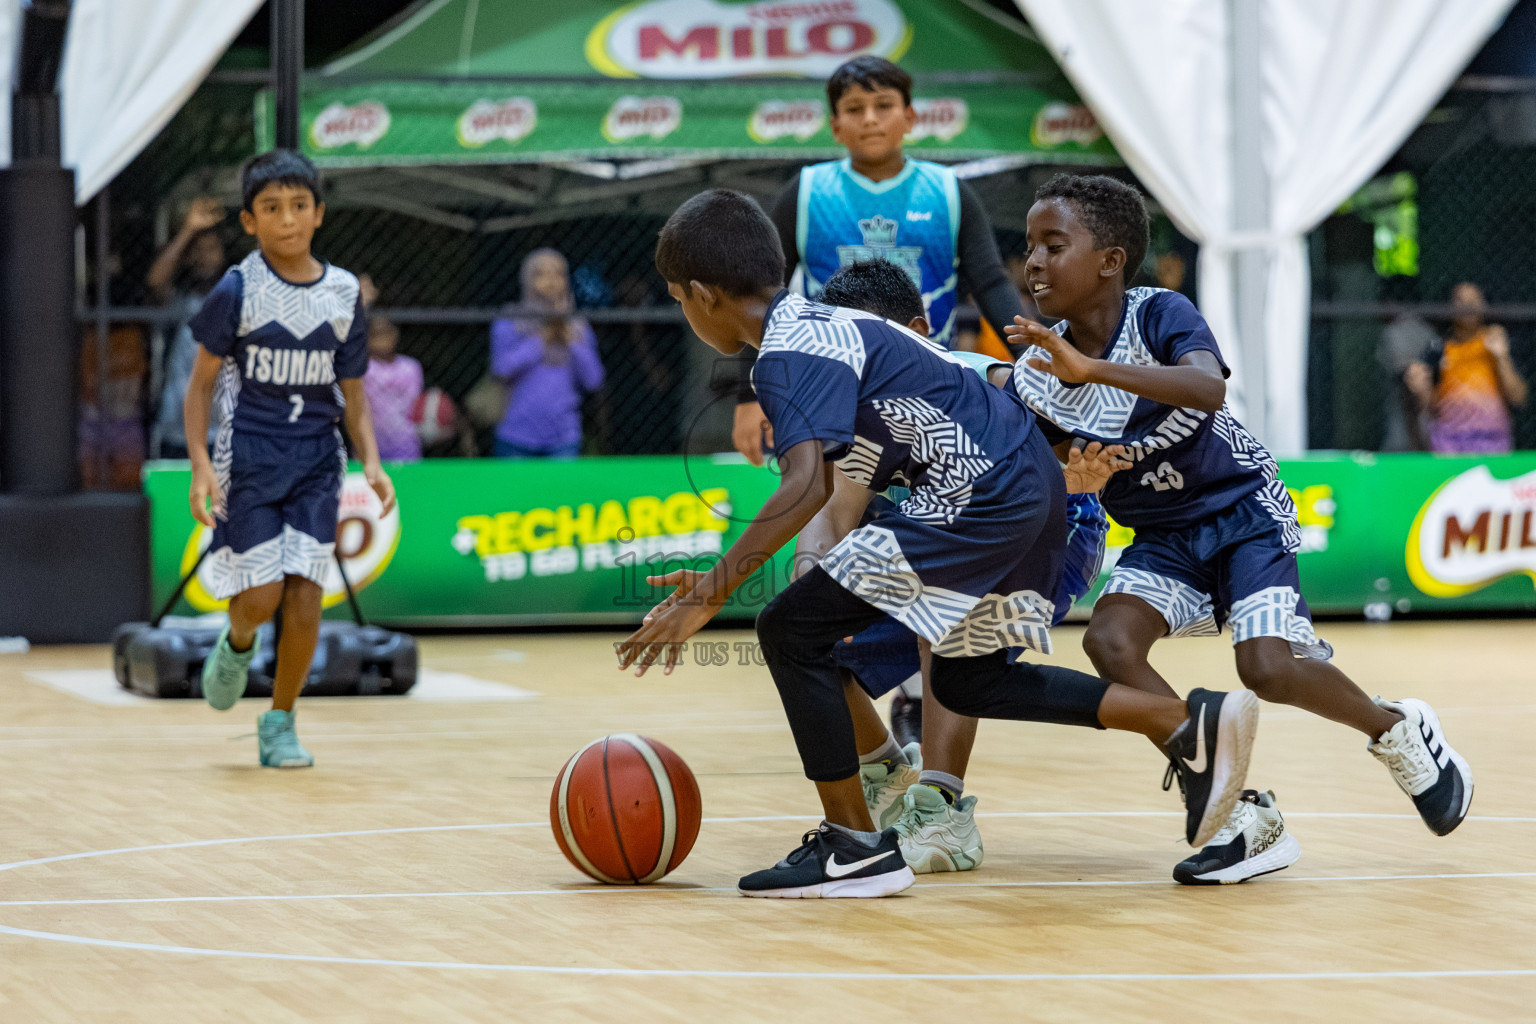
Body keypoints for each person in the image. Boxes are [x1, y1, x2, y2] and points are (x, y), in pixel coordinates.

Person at [618, 189, 1261, 899]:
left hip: (979, 497)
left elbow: (802, 487)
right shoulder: (824, 327)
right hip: (1031, 497)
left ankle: (853, 846)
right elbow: (833, 486)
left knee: (789, 630)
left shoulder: (785, 351)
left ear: (703, 296)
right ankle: (1183, 720)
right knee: (967, 679)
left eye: (679, 299)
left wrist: (708, 596)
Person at [1005, 173, 1474, 886]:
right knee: (1108, 640)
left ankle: (1396, 729)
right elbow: (1054, 466)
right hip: (1161, 534)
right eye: (1029, 247)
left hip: (1242, 512)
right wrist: (1076, 474)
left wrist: (1094, 369)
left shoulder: (1159, 312)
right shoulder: (1035, 371)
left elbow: (1207, 387)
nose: (1033, 261)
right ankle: (1241, 815)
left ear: (1110, 259)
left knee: (1267, 669)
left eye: (1052, 244)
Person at [721, 55, 1028, 743]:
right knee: (827, 529)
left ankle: (919, 698)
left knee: (931, 535)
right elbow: (756, 294)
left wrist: (1032, 353)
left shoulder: (950, 193)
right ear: (835, 122)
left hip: (929, 393)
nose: (869, 120)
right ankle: (827, 670)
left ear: (910, 116)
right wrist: (746, 393)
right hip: (825, 391)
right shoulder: (806, 192)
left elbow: (990, 282)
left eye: (883, 105)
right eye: (854, 109)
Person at [803, 258, 1118, 874]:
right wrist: (810, 572)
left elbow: (1072, 458)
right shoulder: (861, 413)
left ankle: (942, 808)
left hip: (1056, 530)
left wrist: (1082, 471)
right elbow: (835, 508)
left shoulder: (986, 378)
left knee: (939, 591)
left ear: (919, 332)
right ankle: (884, 767)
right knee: (805, 625)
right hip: (946, 542)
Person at [184, 150, 395, 768]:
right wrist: (200, 463)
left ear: (319, 214)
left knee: (306, 596)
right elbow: (199, 387)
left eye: (299, 206)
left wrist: (373, 464)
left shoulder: (343, 291)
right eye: (271, 209)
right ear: (250, 221)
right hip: (247, 456)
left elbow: (353, 395)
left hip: (316, 462)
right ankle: (239, 638)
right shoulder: (238, 288)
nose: (287, 219)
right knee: (261, 596)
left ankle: (280, 722)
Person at [491, 249, 605, 459]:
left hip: (564, 440)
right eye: (541, 274)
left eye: (558, 274)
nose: (551, 281)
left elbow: (594, 380)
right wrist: (542, 338)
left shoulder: (577, 325)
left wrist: (569, 337)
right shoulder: (511, 321)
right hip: (515, 437)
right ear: (526, 279)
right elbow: (501, 370)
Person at [1405, 282, 1527, 454]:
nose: (1468, 306)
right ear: (1450, 307)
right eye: (1460, 300)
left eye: (1474, 299)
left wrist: (1502, 358)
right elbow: (1431, 407)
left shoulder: (1498, 342)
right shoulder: (1438, 348)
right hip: (1449, 445)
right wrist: (1421, 389)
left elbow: (1519, 398)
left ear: (1484, 304)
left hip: (1494, 444)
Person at [148, 196, 227, 459]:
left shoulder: (236, 298)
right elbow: (156, 281)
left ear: (222, 255)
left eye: (212, 249)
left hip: (226, 430)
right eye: (198, 250)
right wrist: (188, 230)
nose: (205, 257)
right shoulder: (180, 300)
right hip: (177, 428)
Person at [362, 316, 424, 463]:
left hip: (407, 447)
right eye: (376, 334)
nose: (383, 339)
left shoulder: (411, 367)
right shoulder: (363, 369)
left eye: (387, 333)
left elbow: (419, 406)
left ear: (395, 334)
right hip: (369, 446)